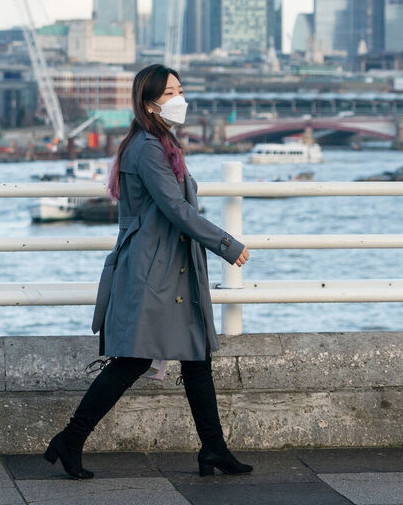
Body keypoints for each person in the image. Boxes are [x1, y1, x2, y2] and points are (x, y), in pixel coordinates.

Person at [43, 64, 253, 479]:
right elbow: (176, 210)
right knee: (131, 361)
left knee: (196, 358)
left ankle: (213, 448)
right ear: (151, 102)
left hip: (168, 269)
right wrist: (228, 245)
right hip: (154, 272)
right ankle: (70, 439)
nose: (181, 99)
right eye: (172, 92)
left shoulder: (159, 142)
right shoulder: (149, 149)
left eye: (181, 89)